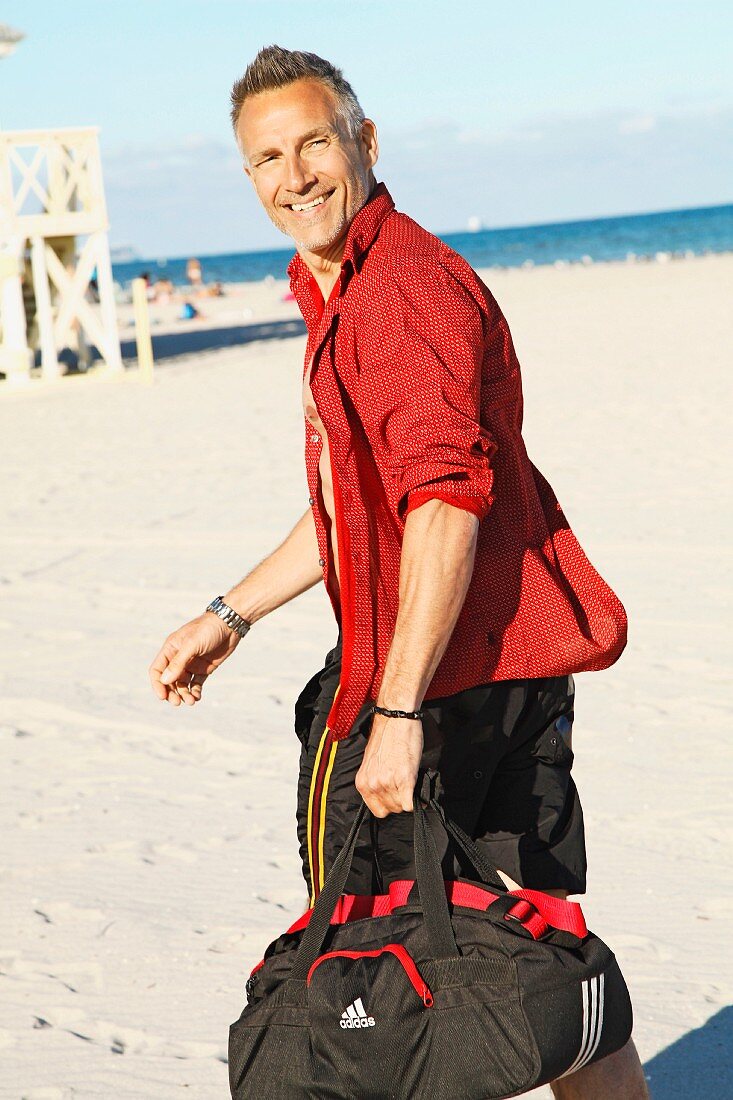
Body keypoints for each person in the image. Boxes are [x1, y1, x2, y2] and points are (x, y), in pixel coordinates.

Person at [148, 47, 649, 1098]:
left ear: (365, 143)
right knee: (544, 966)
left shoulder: (399, 296)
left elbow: (444, 504)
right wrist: (228, 613)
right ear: (249, 178)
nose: (295, 175)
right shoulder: (342, 287)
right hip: (510, 671)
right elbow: (354, 509)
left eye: (314, 143)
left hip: (428, 694)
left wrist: (398, 708)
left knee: (370, 985)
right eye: (267, 159)